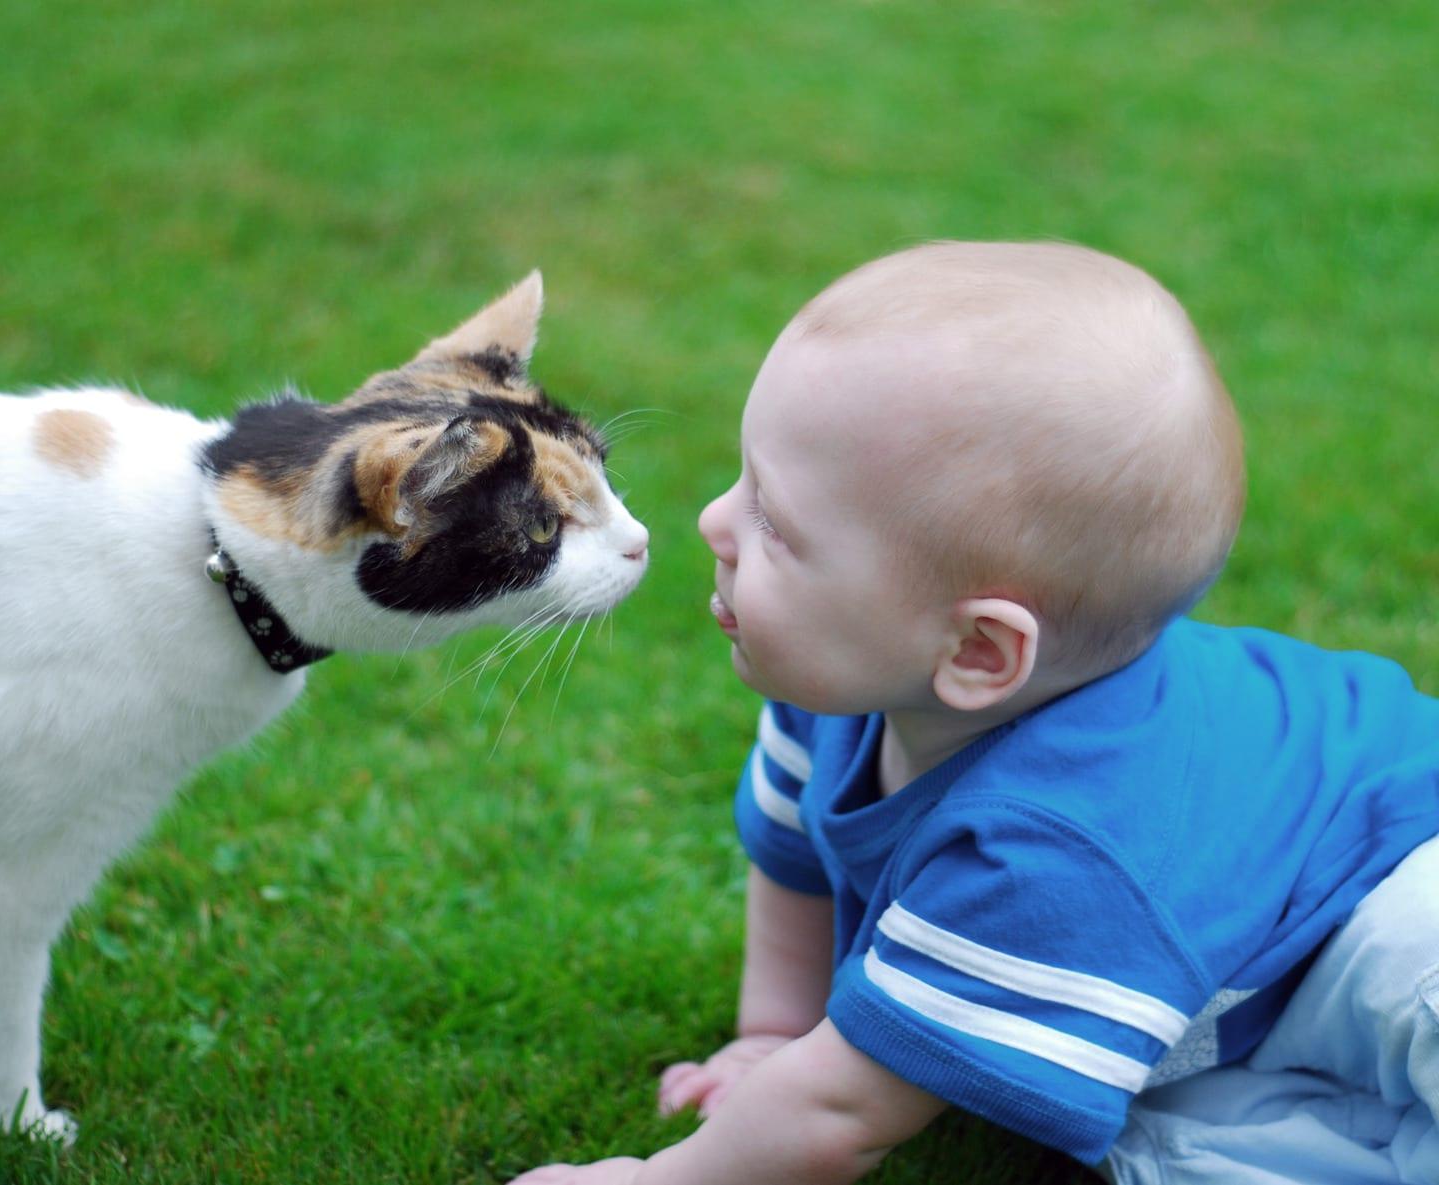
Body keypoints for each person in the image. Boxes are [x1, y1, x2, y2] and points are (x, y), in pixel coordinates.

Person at [510, 241, 1439, 1185]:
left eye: (776, 526)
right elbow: (793, 860)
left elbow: (840, 1112)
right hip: (1260, 966)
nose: (714, 521)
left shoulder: (1051, 849)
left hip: (1394, 883)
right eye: (744, 481)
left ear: (978, 654)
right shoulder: (842, 691)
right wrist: (773, 1040)